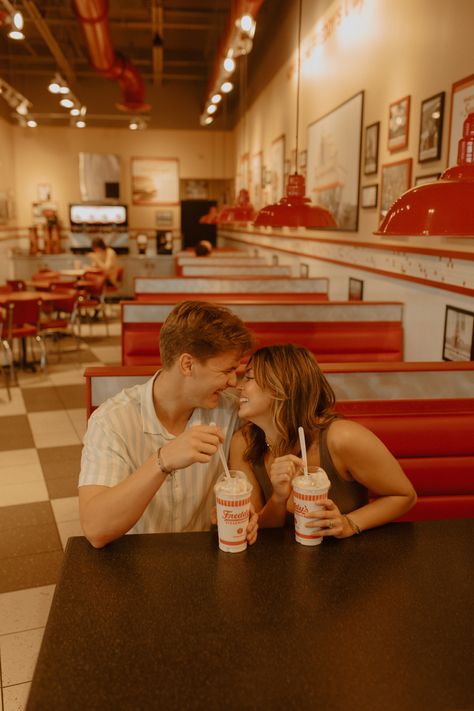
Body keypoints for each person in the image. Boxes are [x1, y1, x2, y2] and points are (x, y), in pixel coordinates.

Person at [79, 300, 257, 548]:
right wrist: (162, 460)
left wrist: (247, 512)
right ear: (187, 364)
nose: (232, 381)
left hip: (205, 560)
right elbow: (95, 529)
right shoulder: (113, 421)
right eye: (226, 370)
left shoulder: (231, 409)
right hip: (134, 566)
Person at [230, 344, 417, 537]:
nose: (238, 386)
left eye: (249, 377)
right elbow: (258, 529)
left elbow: (404, 495)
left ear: (282, 386)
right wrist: (278, 498)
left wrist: (349, 523)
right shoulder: (243, 443)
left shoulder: (343, 438)